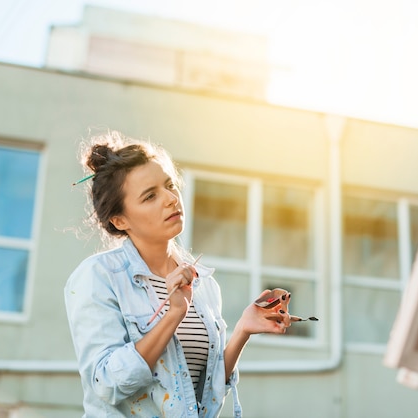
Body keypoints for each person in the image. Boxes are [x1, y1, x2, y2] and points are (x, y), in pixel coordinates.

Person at [64, 130, 291, 417]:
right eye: (150, 196)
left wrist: (243, 330)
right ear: (120, 220)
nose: (171, 199)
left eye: (170, 185)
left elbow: (205, 397)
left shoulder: (203, 282)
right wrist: (173, 314)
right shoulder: (98, 277)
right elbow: (107, 384)